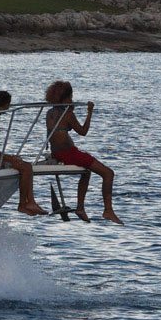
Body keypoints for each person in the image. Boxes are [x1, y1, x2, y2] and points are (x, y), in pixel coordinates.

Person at [45, 81, 122, 224]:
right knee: (108, 173)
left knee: (86, 172)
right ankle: (108, 210)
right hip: (68, 153)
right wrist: (89, 112)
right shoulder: (66, 114)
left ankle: (80, 208)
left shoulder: (50, 113)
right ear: (66, 97)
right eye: (70, 96)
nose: (72, 99)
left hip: (58, 153)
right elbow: (83, 132)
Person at [0, 90, 46, 216]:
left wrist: (8, 157)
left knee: (26, 166)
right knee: (26, 167)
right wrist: (7, 157)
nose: (10, 106)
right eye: (9, 103)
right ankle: (25, 204)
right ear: (4, 104)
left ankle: (28, 202)